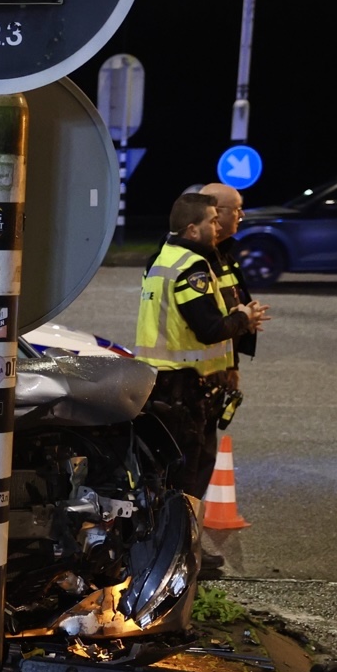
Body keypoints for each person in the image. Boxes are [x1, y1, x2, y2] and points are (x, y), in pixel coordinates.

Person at [134, 192, 272, 497]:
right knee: (185, 480)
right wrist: (243, 319)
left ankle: (172, 539)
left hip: (161, 384)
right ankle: (182, 542)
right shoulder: (191, 266)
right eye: (212, 220)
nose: (218, 227)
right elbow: (208, 328)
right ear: (193, 230)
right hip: (182, 389)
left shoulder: (164, 258)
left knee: (166, 474)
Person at [202, 182, 258, 395]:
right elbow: (207, 325)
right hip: (192, 375)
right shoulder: (194, 262)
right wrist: (245, 318)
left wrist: (231, 365)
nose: (241, 214)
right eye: (236, 209)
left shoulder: (224, 256)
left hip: (215, 370)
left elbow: (226, 313)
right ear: (215, 212)